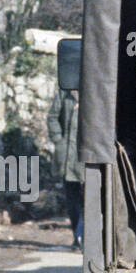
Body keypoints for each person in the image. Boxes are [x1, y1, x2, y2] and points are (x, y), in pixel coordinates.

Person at [47, 87, 82, 248]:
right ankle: (77, 235)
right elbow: (53, 116)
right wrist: (59, 140)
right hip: (68, 156)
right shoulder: (65, 93)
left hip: (87, 155)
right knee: (72, 199)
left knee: (91, 199)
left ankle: (83, 235)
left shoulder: (96, 88)